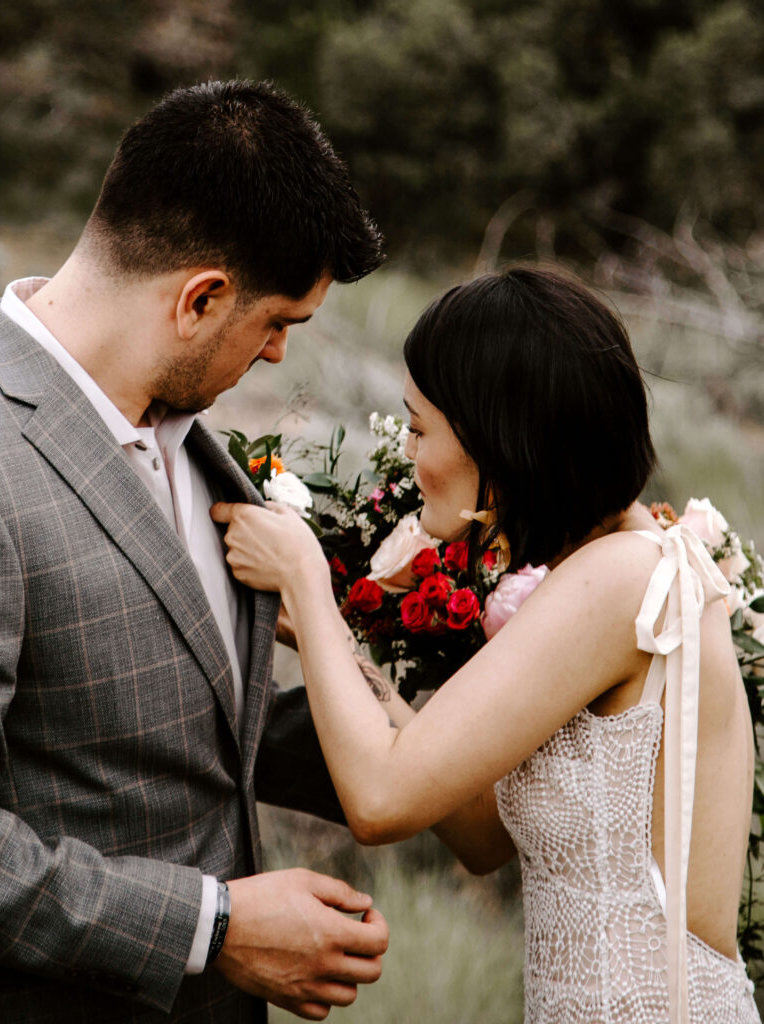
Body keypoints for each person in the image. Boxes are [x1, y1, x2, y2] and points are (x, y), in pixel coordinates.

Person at [0, 80, 390, 1024]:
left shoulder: (183, 435)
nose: (278, 355)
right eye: (278, 322)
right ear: (200, 298)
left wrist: (440, 741)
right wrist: (215, 925)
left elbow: (174, 730)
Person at [213, 267, 761, 1023]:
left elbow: (380, 800)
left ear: (498, 442)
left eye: (417, 427)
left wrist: (307, 577)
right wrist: (324, 636)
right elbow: (480, 832)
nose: (407, 454)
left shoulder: (623, 582)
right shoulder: (620, 560)